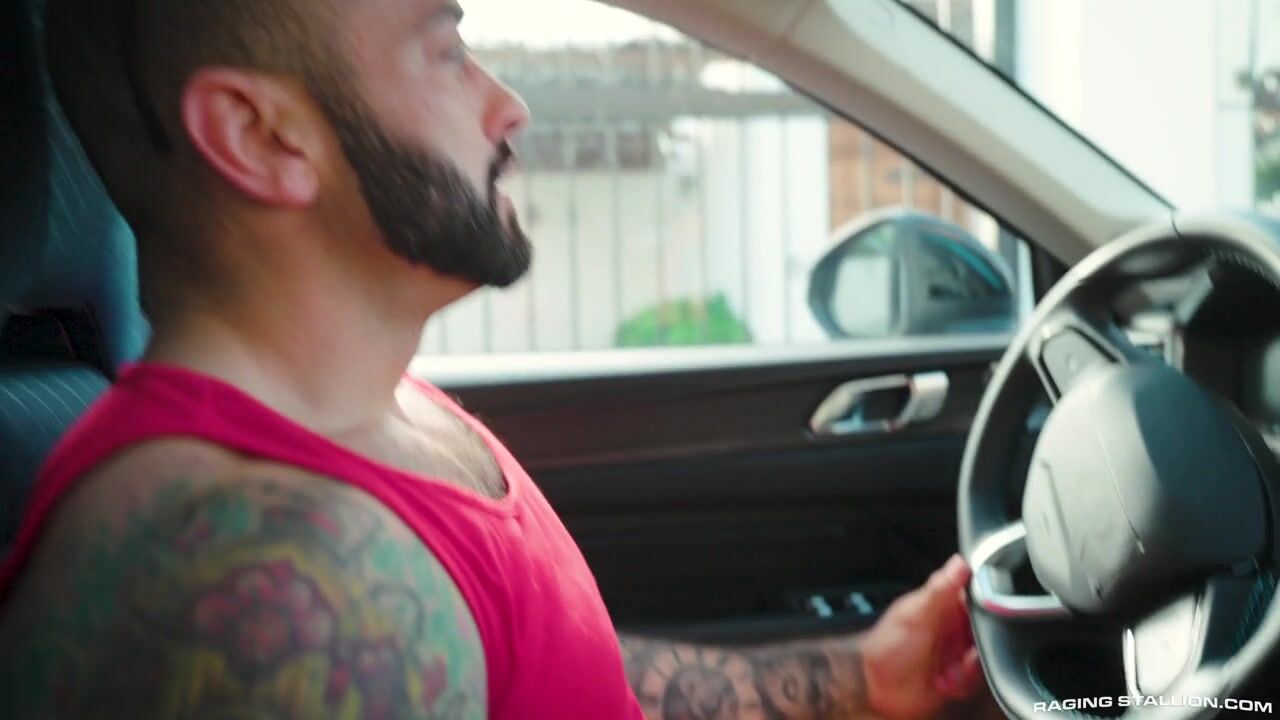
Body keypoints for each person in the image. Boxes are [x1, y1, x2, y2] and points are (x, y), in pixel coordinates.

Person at [0, 0, 990, 717]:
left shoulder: (382, 415)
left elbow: (540, 675)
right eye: (443, 52)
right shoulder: (279, 586)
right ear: (261, 136)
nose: (507, 105)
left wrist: (864, 677)